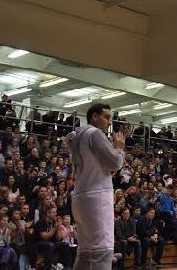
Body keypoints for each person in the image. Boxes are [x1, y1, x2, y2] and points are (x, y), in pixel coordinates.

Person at [66, 103, 125, 269]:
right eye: (106, 117)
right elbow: (115, 162)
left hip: (80, 196)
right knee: (102, 252)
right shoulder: (95, 134)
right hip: (96, 197)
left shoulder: (77, 134)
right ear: (94, 117)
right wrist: (119, 148)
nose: (109, 122)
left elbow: (98, 166)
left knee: (85, 253)